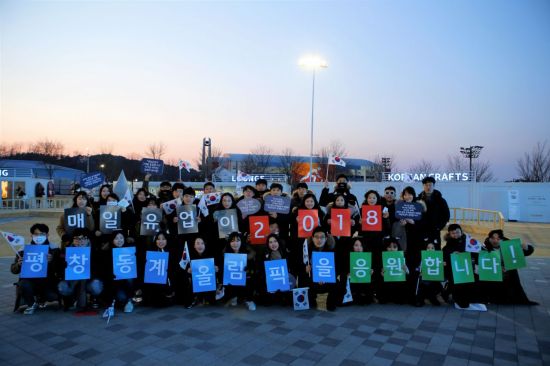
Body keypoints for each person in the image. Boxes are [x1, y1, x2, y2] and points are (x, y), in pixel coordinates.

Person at [11, 223, 62, 315]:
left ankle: (42, 299)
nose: (39, 236)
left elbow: (60, 269)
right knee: (23, 284)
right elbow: (13, 270)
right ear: (31, 235)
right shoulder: (23, 249)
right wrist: (18, 265)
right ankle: (31, 304)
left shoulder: (54, 248)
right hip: (30, 280)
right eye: (36, 234)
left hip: (48, 280)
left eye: (42, 234)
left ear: (47, 235)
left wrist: (53, 261)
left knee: (51, 296)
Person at [482, 229, 538, 305]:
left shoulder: (508, 245)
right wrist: (498, 267)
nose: (495, 241)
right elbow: (480, 262)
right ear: (489, 238)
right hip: (493, 273)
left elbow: (526, 252)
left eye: (498, 239)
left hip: (508, 272)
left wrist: (528, 247)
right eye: (492, 238)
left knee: (512, 275)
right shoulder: (484, 247)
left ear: (501, 239)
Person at [57, 228, 103, 311]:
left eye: (83, 238)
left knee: (95, 285)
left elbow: (99, 270)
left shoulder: (95, 250)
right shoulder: (67, 251)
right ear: (73, 240)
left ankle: (92, 298)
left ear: (88, 239)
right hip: (72, 282)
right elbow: (59, 270)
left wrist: (87, 273)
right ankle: (71, 298)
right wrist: (64, 265)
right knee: (62, 286)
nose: (80, 241)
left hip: (89, 281)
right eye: (77, 238)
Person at [442, 224, 484, 310]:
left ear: (461, 232)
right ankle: (455, 295)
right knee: (459, 286)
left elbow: (477, 252)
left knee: (474, 281)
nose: (455, 235)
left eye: (457, 232)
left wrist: (466, 254)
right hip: (454, 271)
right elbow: (445, 257)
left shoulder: (469, 242)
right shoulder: (447, 246)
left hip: (468, 269)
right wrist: (452, 255)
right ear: (449, 234)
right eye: (453, 233)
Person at [301, 227, 339, 311]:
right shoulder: (307, 250)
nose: (319, 240)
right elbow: (300, 264)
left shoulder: (332, 251)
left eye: (322, 237)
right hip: (312, 280)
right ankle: (311, 301)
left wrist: (325, 277)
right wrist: (305, 269)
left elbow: (336, 268)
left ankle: (331, 303)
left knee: (337, 282)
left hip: (327, 280)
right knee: (303, 279)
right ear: (312, 238)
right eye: (316, 237)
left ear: (326, 238)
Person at [256, 234, 295, 306]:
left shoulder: (284, 252)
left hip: (283, 279)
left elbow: (290, 267)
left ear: (278, 242)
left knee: (287, 302)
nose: (273, 244)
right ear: (268, 244)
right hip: (270, 280)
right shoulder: (265, 253)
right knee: (267, 302)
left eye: (275, 241)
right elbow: (261, 268)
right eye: (270, 242)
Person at [222, 232, 257, 311]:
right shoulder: (226, 254)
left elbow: (253, 268)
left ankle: (249, 300)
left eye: (238, 240)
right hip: (232, 281)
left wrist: (248, 270)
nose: (235, 243)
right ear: (229, 242)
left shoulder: (247, 254)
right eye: (232, 241)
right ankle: (233, 297)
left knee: (250, 278)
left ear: (241, 242)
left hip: (245, 280)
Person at [417, 176, 450, 249]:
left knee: (436, 250)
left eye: (430, 185)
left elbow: (446, 215)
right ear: (423, 186)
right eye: (426, 185)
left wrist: (438, 227)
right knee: (422, 250)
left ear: (433, 186)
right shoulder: (418, 199)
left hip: (435, 231)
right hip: (422, 231)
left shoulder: (441, 200)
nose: (428, 187)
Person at [376, 237, 410, 305]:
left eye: (394, 247)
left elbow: (408, 275)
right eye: (389, 247)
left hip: (398, 285)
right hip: (387, 285)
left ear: (398, 248)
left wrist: (406, 270)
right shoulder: (381, 259)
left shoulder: (402, 258)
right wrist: (382, 274)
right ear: (386, 248)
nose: (392, 249)